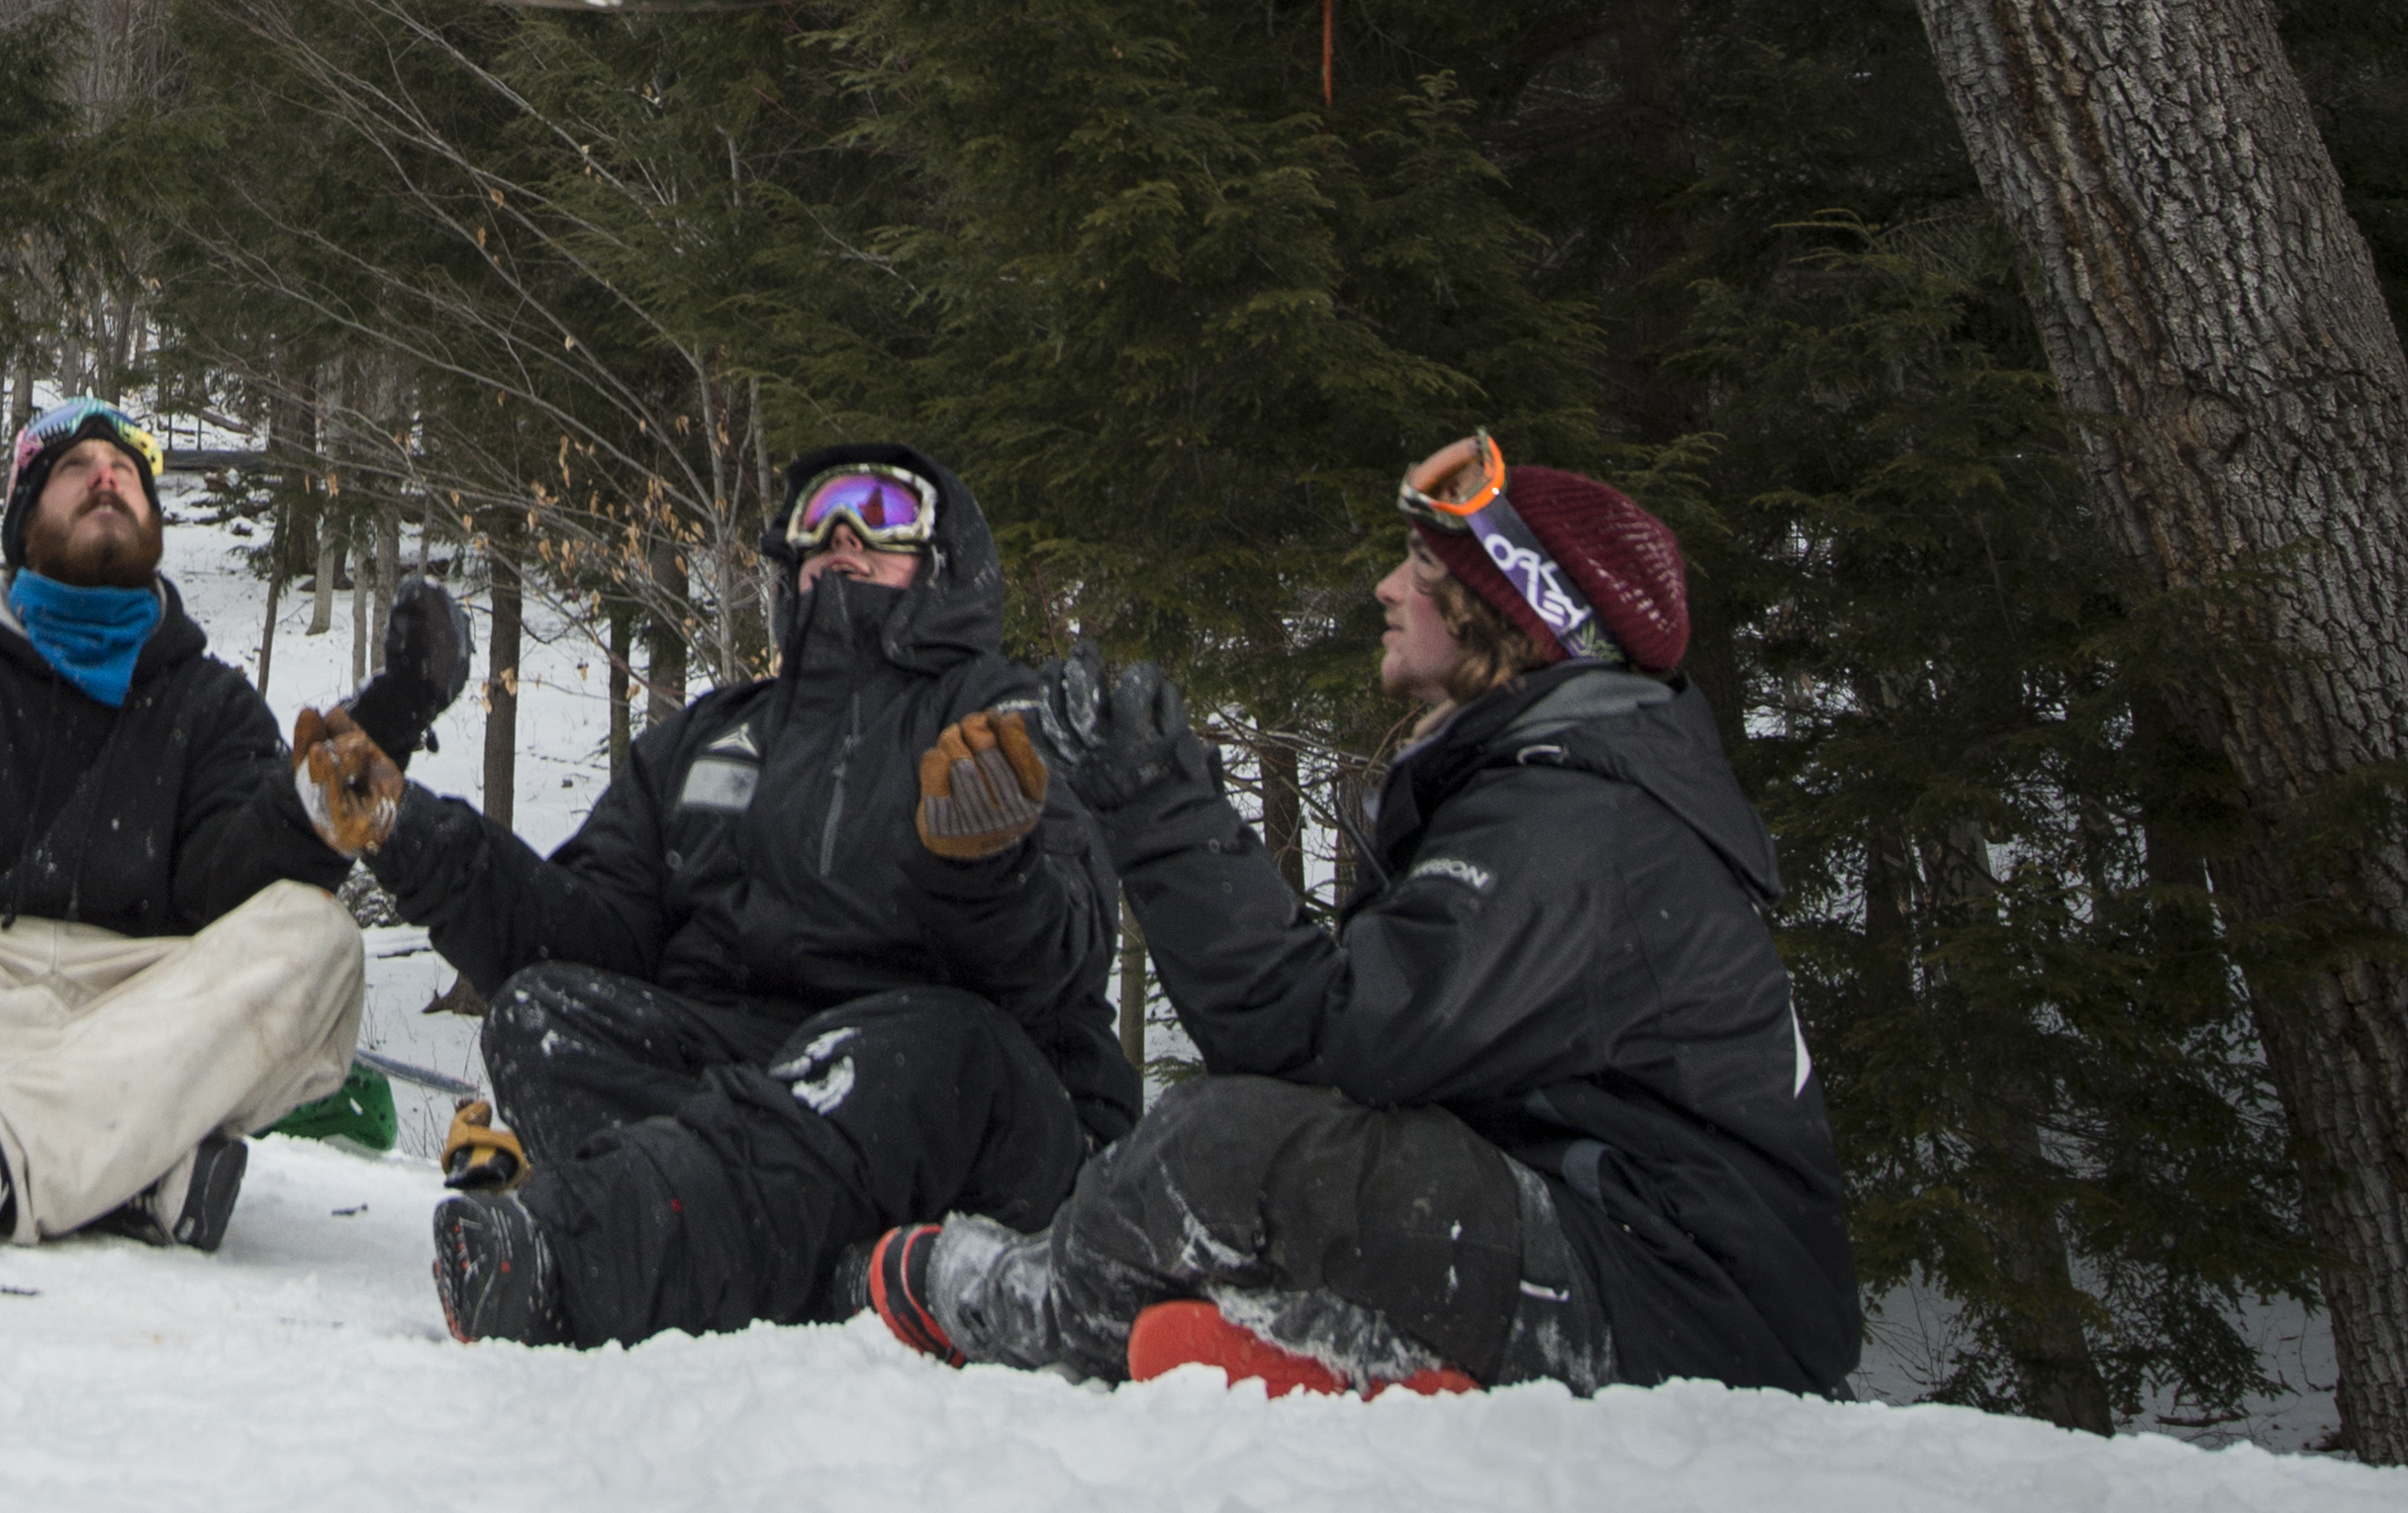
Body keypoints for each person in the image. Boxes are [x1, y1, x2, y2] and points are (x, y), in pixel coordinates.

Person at [869, 433, 1861, 1401]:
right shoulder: (1555, 785)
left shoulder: (1582, 816)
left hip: (1679, 1298)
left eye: (1423, 569)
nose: (1387, 588)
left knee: (1221, 1145)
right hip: (1644, 1266)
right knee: (1280, 1159)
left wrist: (1158, 801)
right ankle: (1353, 1356)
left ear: (1516, 613)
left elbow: (1328, 1044)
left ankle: (1028, 1304)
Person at [287, 438, 1134, 1352]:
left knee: (913, 1051)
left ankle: (574, 1263)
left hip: (970, 1106)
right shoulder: (712, 739)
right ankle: (839, 1272)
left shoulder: (1006, 720)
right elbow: (587, 938)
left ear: (947, 559)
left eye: (883, 516)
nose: (843, 536)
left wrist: (988, 867)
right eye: (817, 520)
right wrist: (410, 834)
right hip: (757, 1078)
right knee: (543, 1018)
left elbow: (1069, 955)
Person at [0, 397, 419, 1253]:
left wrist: (364, 756)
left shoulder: (212, 701)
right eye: (75, 469)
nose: (106, 478)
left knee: (320, 940)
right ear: (25, 523)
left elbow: (226, 892)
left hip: (149, 996)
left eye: (125, 471)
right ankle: (128, 1160)